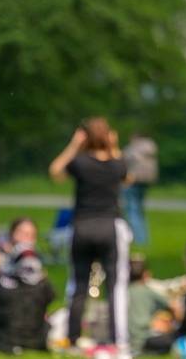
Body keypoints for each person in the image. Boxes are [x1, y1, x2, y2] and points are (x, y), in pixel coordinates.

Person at [50, 117, 130, 349]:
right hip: (109, 226)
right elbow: (126, 178)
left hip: (82, 226)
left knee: (78, 284)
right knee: (115, 285)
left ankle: (73, 338)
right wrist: (114, 146)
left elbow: (55, 171)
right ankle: (118, 340)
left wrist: (74, 145)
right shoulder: (115, 163)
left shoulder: (80, 163)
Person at [126, 257, 176, 353]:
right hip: (145, 339)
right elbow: (173, 307)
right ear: (146, 275)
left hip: (126, 339)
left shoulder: (121, 293)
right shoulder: (147, 291)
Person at [123, 133, 158, 246]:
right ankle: (143, 238)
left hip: (132, 181)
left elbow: (122, 160)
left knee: (132, 210)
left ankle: (138, 239)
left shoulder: (133, 149)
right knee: (139, 211)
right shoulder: (150, 148)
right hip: (145, 182)